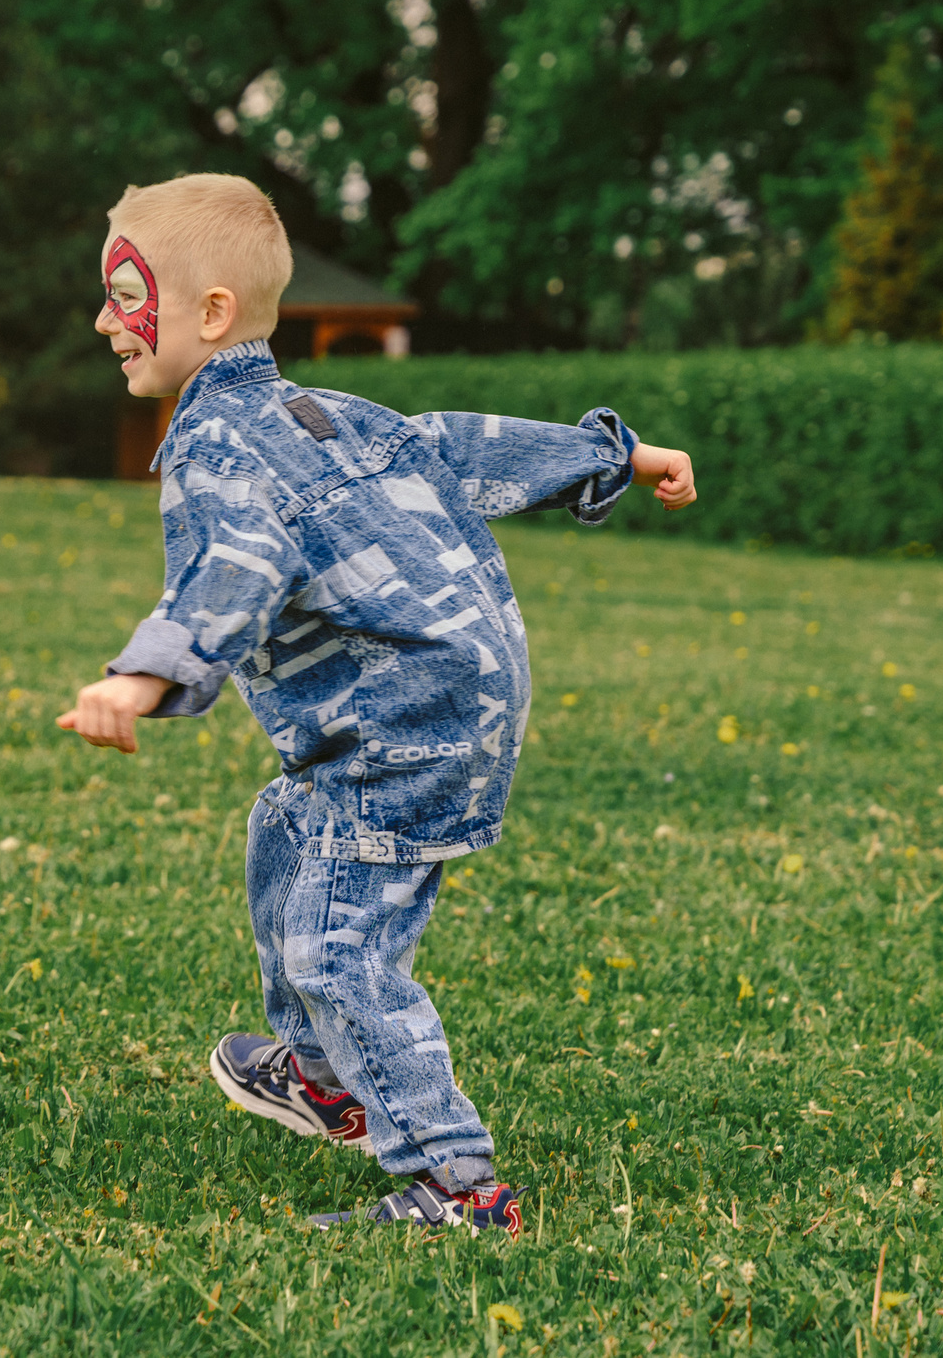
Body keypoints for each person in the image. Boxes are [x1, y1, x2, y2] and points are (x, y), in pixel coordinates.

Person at [56, 174, 696, 1232]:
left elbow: (236, 564)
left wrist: (145, 672)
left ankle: (459, 1188)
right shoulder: (326, 413)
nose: (103, 320)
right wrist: (610, 453)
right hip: (452, 699)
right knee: (284, 831)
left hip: (400, 727)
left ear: (210, 312)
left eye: (126, 296)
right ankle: (320, 1078)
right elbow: (455, 445)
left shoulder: (218, 447)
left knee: (334, 948)